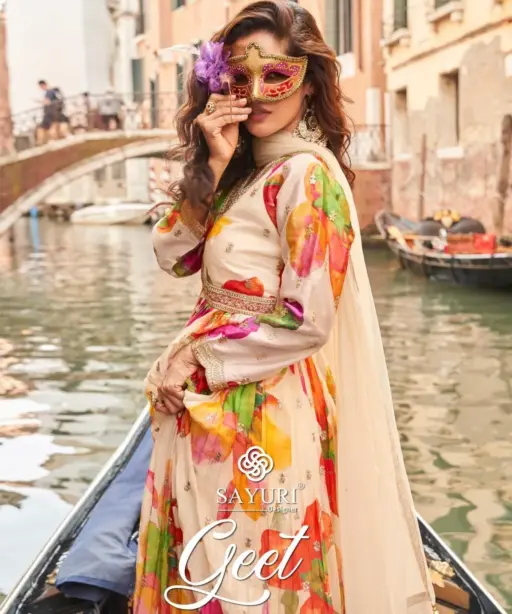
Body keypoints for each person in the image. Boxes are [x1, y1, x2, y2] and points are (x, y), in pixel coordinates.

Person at [133, 2, 436, 614]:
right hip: (208, 402)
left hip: (267, 410)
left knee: (254, 583)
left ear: (309, 81)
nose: (256, 93)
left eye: (276, 75)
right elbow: (172, 255)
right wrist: (211, 165)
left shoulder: (306, 177)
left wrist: (195, 359)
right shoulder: (242, 172)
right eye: (238, 77)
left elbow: (308, 320)